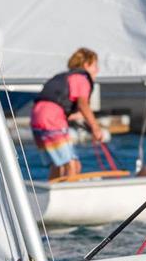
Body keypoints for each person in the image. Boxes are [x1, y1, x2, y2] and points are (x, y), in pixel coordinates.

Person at [30, 47, 103, 180]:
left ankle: (53, 193)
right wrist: (95, 127)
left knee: (58, 165)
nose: (97, 70)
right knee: (73, 165)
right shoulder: (81, 79)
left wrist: (81, 119)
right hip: (51, 120)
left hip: (37, 117)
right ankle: (70, 198)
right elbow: (83, 104)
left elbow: (60, 107)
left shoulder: (65, 77)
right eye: (95, 66)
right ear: (86, 65)